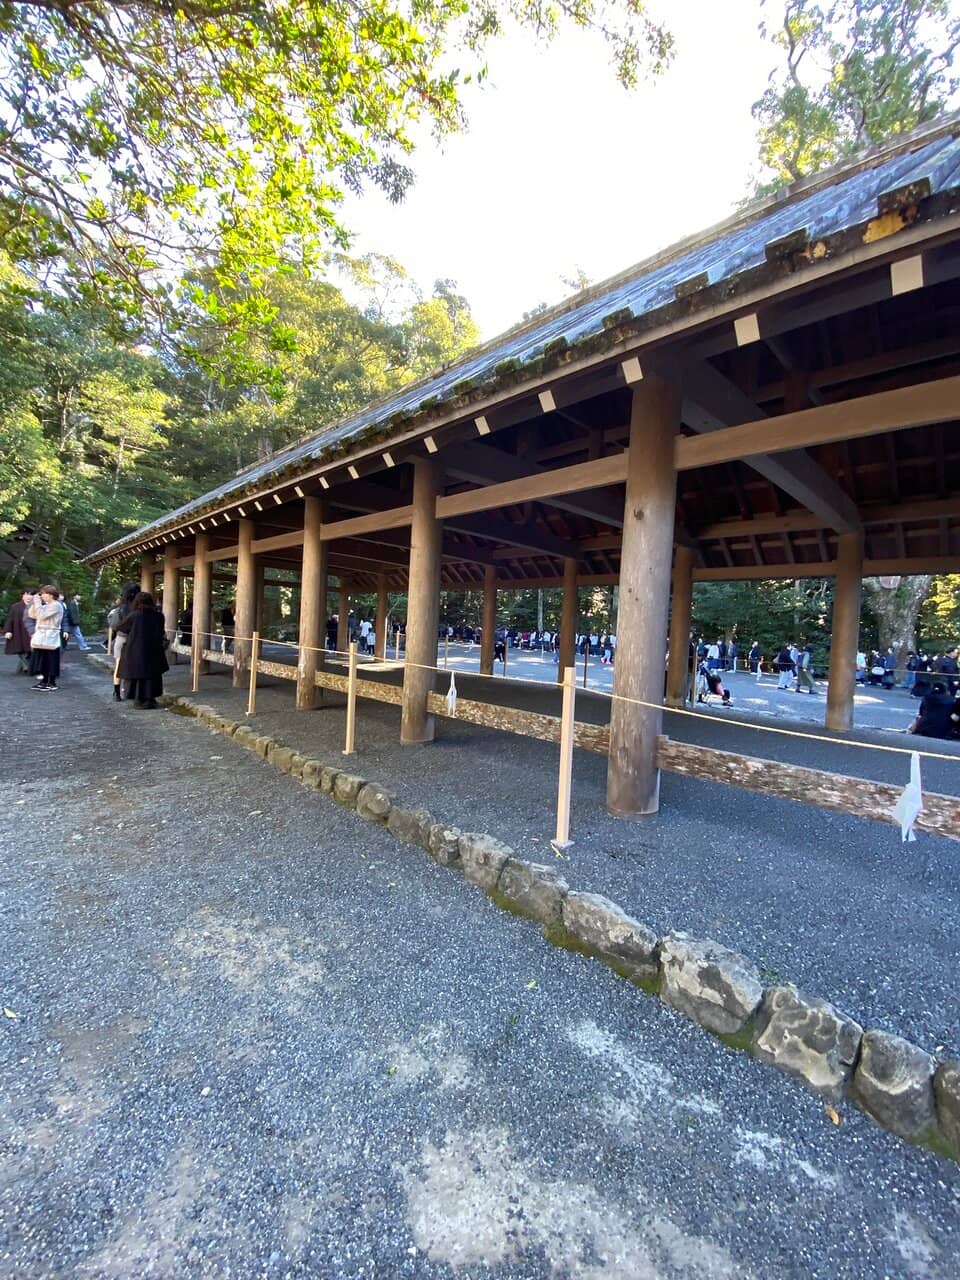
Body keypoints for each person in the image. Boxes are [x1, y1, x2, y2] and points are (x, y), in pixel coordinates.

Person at [116, 591, 169, 708]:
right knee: (152, 675)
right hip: (153, 649)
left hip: (135, 648)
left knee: (138, 675)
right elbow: (161, 632)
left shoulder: (134, 615)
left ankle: (138, 699)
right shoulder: (159, 616)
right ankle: (150, 699)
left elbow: (121, 627)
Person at [27, 586, 66, 690]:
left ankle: (51, 682)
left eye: (43, 594)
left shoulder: (56, 605)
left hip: (50, 637)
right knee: (43, 660)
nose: (42, 596)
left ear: (50, 595)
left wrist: (38, 603)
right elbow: (32, 614)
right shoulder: (47, 605)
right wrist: (34, 603)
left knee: (50, 660)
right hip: (42, 636)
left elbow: (41, 615)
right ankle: (44, 680)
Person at [112, 582, 140, 701]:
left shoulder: (119, 610)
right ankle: (130, 691)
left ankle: (116, 692)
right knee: (135, 665)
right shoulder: (139, 610)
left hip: (121, 637)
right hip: (136, 639)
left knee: (119, 666)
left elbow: (114, 625)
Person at [4, 589, 34, 674]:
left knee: (31, 651)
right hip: (19, 631)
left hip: (31, 632)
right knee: (20, 650)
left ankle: (26, 667)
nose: (28, 597)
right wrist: (8, 631)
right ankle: (28, 667)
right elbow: (10, 619)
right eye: (26, 594)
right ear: (22, 596)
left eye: (31, 595)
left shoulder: (36, 606)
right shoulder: (16, 606)